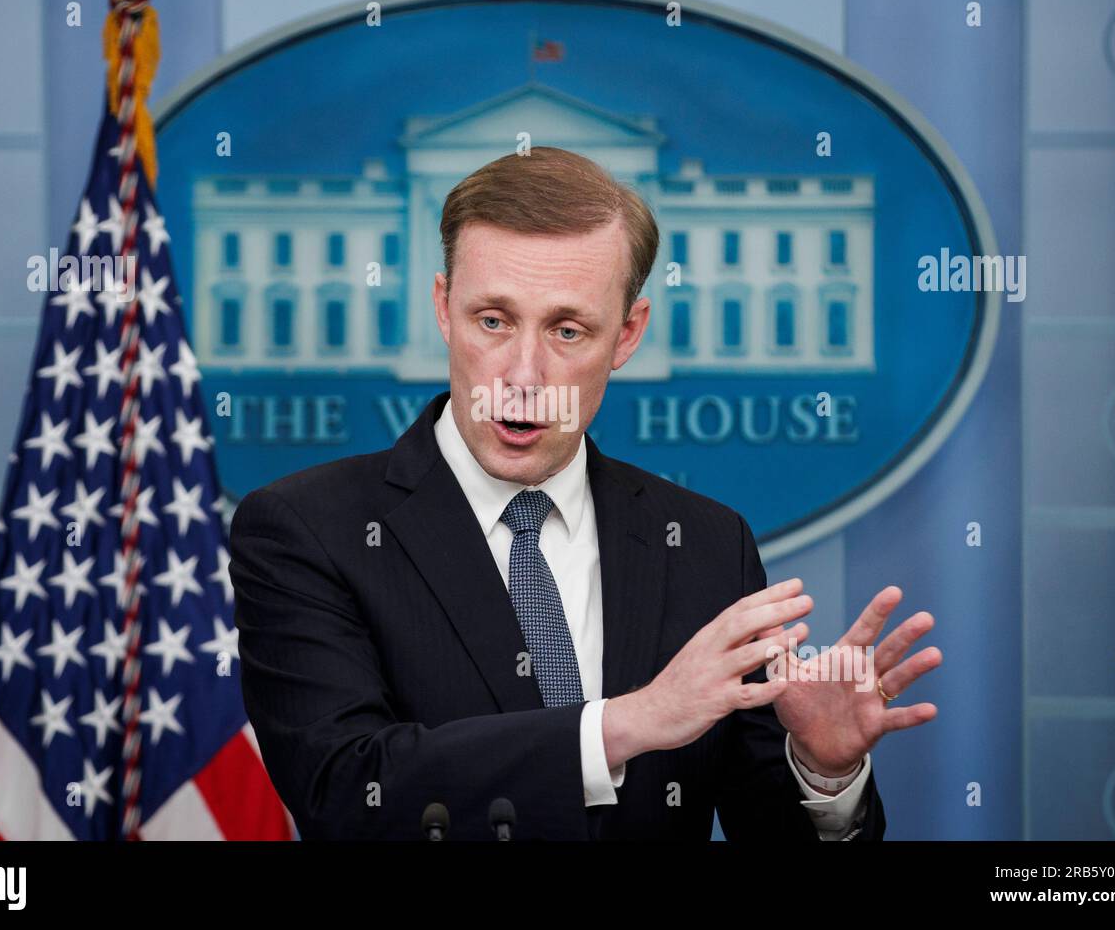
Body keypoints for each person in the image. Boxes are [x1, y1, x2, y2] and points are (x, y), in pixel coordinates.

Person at [229, 146, 941, 840]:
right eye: (493, 321)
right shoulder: (306, 528)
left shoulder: (705, 544)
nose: (523, 375)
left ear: (627, 334)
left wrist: (820, 770)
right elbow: (347, 791)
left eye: (567, 330)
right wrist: (628, 723)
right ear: (444, 307)